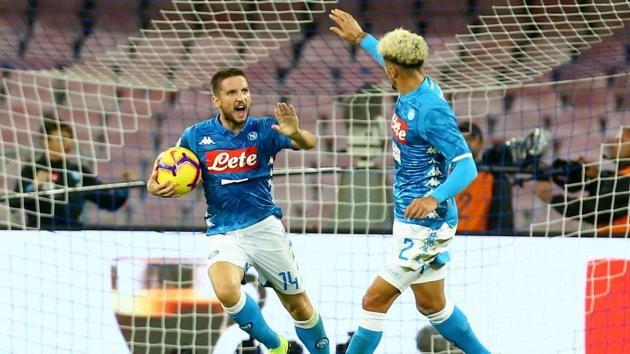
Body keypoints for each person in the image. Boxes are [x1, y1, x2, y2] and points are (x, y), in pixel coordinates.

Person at [329, 9, 490, 354]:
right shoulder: (413, 82)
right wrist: (361, 39)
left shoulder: (431, 109)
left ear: (392, 70)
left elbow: (466, 168)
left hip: (427, 223)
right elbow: (385, 56)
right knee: (432, 305)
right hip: (409, 218)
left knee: (374, 299)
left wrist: (434, 197)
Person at [146, 68, 329, 354]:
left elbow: (309, 143)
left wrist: (296, 134)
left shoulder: (266, 129)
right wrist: (153, 186)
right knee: (226, 289)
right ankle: (277, 346)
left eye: (244, 91)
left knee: (299, 305)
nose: (240, 97)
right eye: (232, 92)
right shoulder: (196, 136)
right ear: (216, 101)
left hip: (264, 228)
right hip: (224, 231)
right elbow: (168, 167)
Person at [10, 119, 131, 229]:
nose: (68, 144)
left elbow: (110, 203)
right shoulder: (32, 170)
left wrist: (124, 186)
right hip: (38, 233)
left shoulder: (79, 172)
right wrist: (34, 186)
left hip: (73, 235)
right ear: (46, 142)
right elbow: (13, 204)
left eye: (70, 139)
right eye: (61, 139)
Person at [535, 127, 630, 236]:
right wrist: (595, 176)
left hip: (622, 244)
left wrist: (552, 198)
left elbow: (593, 209)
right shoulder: (620, 175)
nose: (613, 146)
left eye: (621, 141)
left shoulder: (625, 179)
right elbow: (610, 187)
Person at [456, 122, 514, 234]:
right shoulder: (442, 174)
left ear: (481, 142)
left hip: (480, 240)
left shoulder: (493, 176)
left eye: (470, 139)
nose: (465, 143)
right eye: (460, 140)